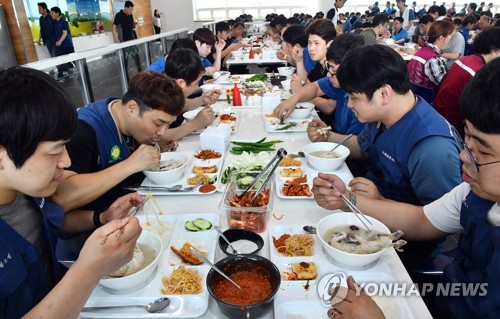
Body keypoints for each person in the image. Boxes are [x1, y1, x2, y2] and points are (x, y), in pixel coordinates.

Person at [312, 57, 500, 319]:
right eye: (467, 139)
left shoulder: (433, 147)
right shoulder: (475, 191)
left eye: (482, 150)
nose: (464, 157)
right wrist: (346, 198)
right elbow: (421, 219)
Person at [0, 66, 142, 318]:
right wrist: (90, 268)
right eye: (54, 152)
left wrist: (102, 217)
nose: (66, 161)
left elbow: (57, 222)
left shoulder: (27, 189)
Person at [308, 44, 461, 266]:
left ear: (383, 93)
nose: (349, 104)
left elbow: (440, 222)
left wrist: (370, 201)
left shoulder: (431, 147)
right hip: (366, 211)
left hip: (402, 245)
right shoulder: (384, 115)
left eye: (354, 97)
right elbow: (363, 147)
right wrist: (327, 136)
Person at [52, 71, 184, 252]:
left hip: (127, 214)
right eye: (157, 123)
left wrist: (154, 141)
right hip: (87, 237)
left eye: (168, 125)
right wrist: (130, 164)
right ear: (131, 108)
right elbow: (60, 198)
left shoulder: (128, 118)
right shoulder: (83, 131)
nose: (162, 131)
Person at [274, 34, 367, 176]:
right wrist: (294, 99)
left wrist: (328, 136)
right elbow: (316, 87)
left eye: (334, 71)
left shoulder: (364, 100)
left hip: (351, 166)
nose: (328, 75)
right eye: (329, 68)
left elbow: (361, 150)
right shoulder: (338, 83)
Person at [435, 27, 500, 135]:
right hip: (453, 121)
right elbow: (477, 110)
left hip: (439, 110)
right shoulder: (479, 72)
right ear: (494, 50)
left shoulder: (464, 59)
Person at [292, 19, 337, 124]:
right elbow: (307, 82)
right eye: (309, 43)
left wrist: (301, 93)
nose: (311, 48)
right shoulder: (320, 63)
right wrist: (299, 61)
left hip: (327, 124)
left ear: (330, 44)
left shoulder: (333, 69)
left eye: (317, 43)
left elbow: (329, 107)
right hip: (315, 115)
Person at [408, 20, 454, 91]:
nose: (450, 39)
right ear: (441, 38)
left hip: (414, 94)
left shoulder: (422, 50)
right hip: (428, 98)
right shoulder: (433, 60)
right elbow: (446, 84)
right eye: (450, 36)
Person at [112, 1, 141, 78]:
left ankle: (140, 72)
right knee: (125, 59)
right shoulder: (119, 15)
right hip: (124, 41)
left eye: (132, 9)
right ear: (126, 8)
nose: (131, 11)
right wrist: (116, 38)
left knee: (136, 56)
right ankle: (125, 76)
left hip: (132, 39)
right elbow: (114, 27)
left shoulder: (130, 15)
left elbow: (132, 27)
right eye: (130, 9)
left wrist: (134, 24)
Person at [50, 6, 75, 81]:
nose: (51, 14)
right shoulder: (54, 22)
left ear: (57, 13)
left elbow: (65, 33)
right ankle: (61, 76)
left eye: (53, 13)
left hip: (67, 45)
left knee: (73, 59)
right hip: (59, 46)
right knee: (59, 60)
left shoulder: (64, 22)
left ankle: (82, 72)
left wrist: (60, 41)